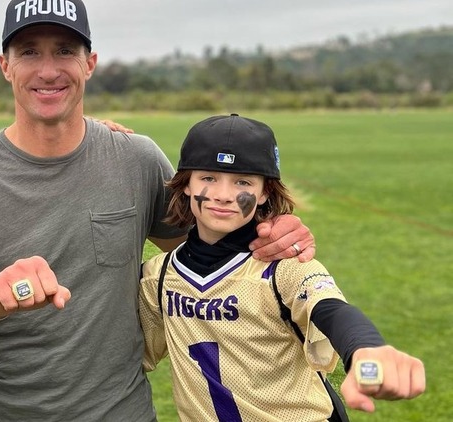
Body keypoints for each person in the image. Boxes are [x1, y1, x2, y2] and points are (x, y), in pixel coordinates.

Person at [0, 0, 314, 420]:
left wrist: (274, 235)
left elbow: (210, 254)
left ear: (89, 64)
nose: (49, 70)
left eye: (65, 51)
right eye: (29, 52)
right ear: (5, 66)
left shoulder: (136, 159)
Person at [139, 113, 426, 421]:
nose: (223, 195)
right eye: (208, 178)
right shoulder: (159, 276)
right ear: (185, 184)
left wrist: (366, 348)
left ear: (264, 192)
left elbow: (331, 310)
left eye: (243, 182)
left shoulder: (283, 267)